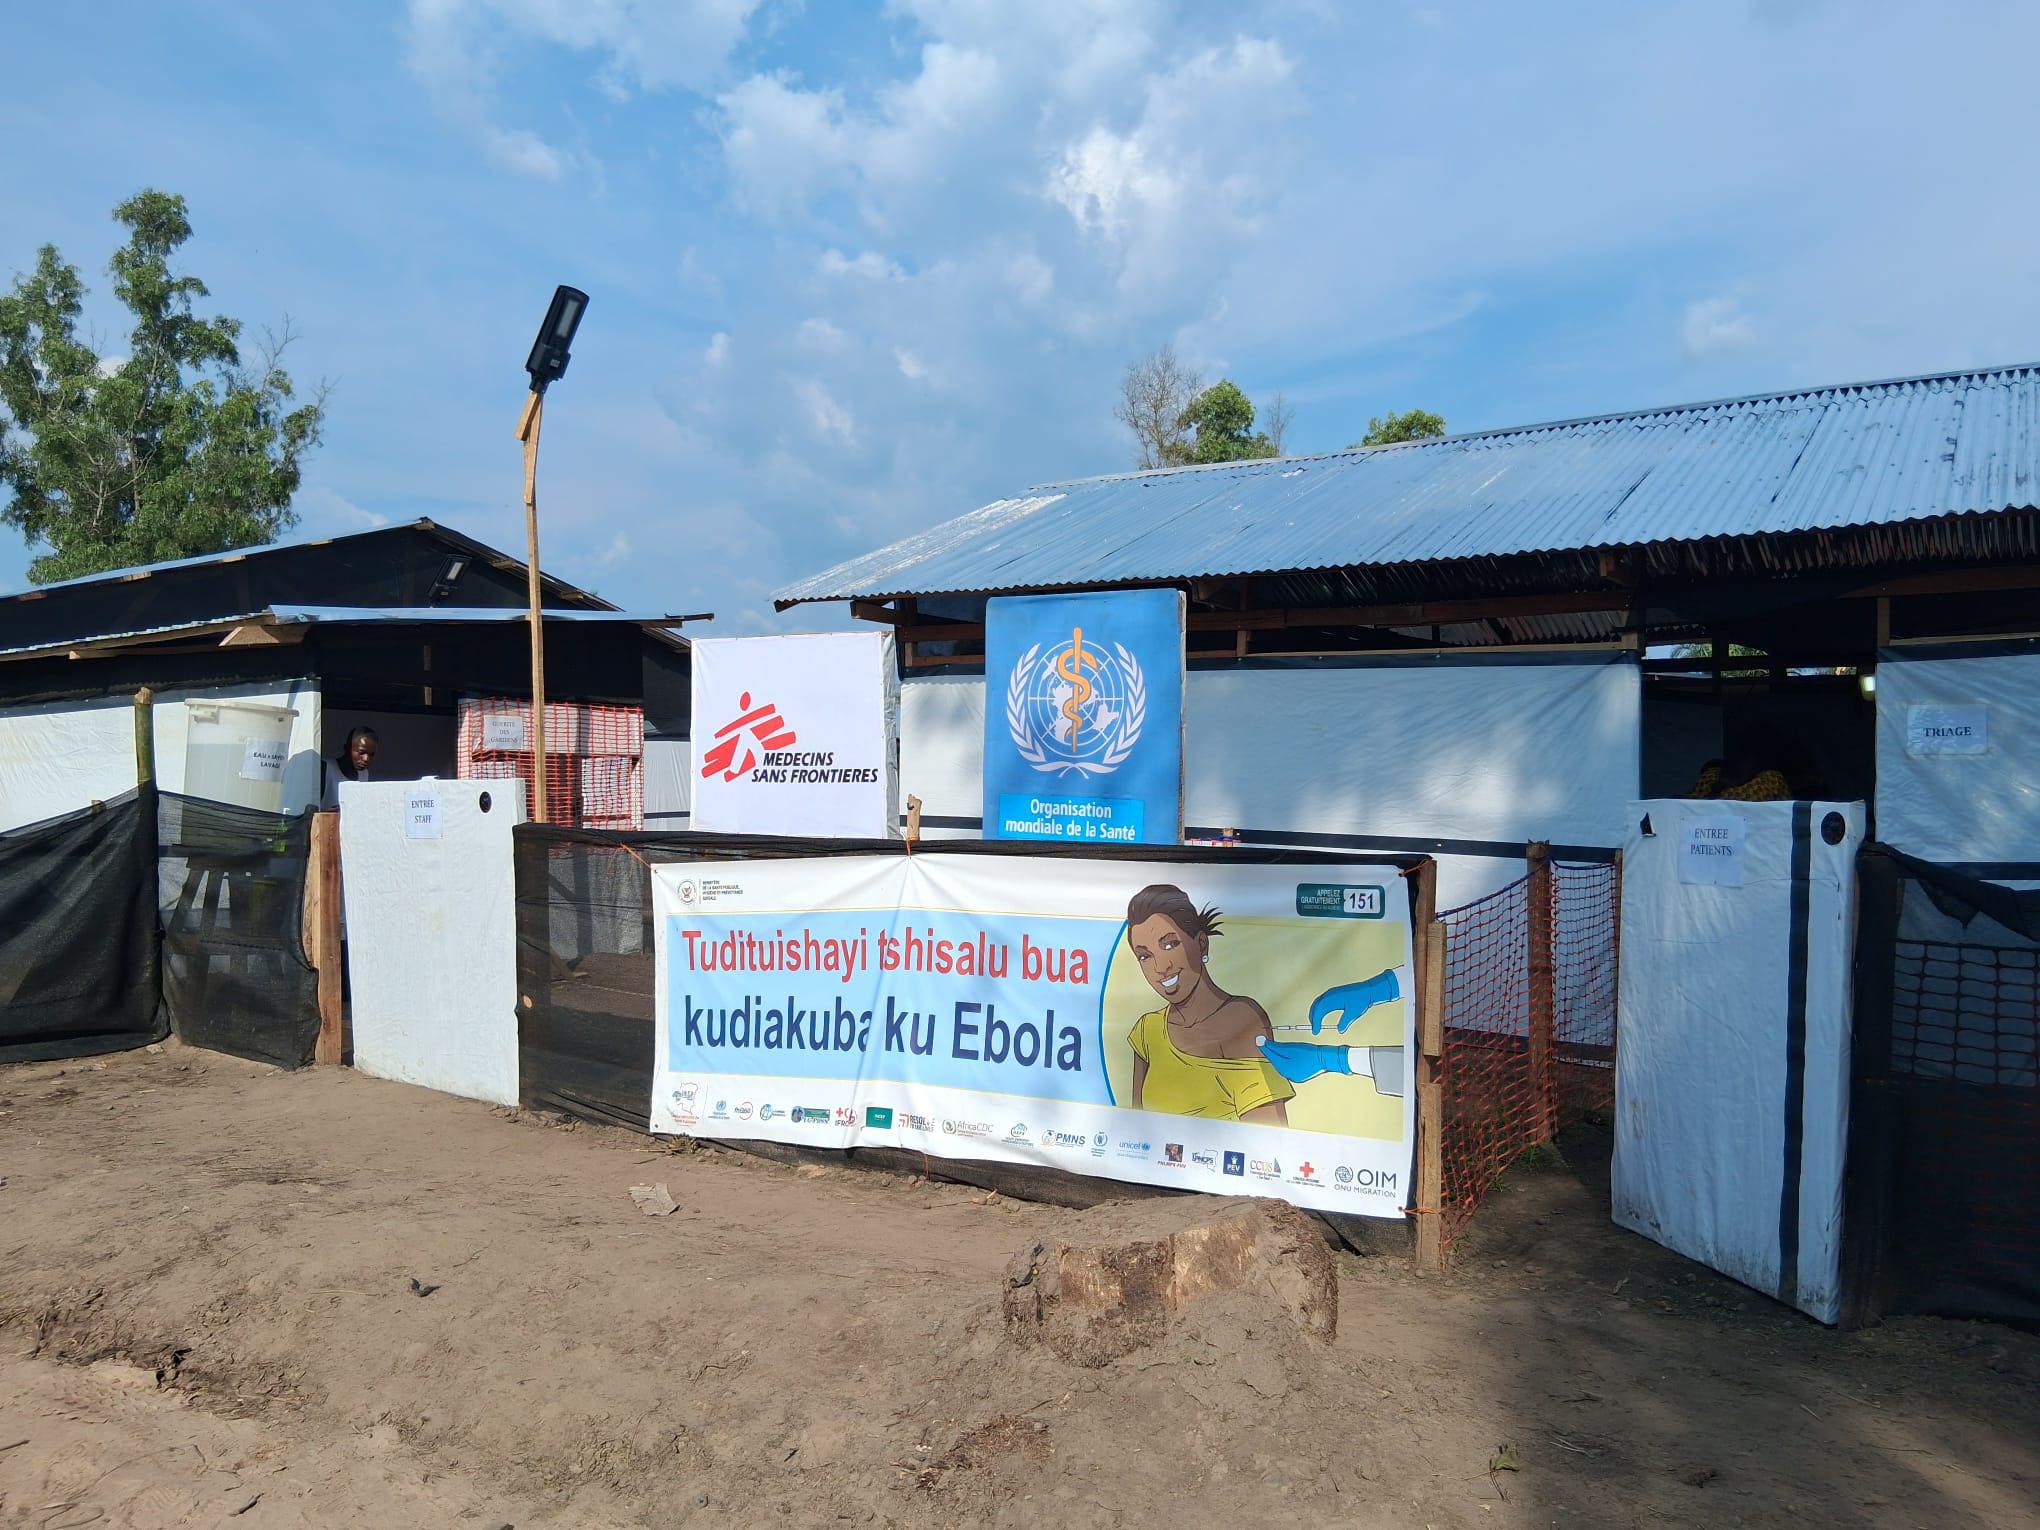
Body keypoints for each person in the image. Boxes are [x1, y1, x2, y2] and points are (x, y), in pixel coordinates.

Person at [1124, 884, 1291, 1124]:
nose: (1160, 968)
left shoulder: (1241, 1019)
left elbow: (1269, 1136)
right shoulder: (1146, 1031)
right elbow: (1135, 1127)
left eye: (1170, 944)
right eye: (1144, 956)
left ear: (1201, 944)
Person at [320, 726, 378, 810]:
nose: (366, 759)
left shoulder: (364, 774)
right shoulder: (326, 768)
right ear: (347, 749)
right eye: (361, 752)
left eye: (371, 754)